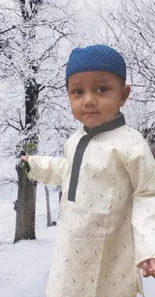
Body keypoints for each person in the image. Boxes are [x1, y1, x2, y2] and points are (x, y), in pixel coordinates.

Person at [22, 44, 155, 297]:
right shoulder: (75, 139)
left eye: (101, 89)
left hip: (111, 250)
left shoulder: (131, 144)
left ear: (123, 95)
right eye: (78, 92)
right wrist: (37, 165)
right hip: (71, 249)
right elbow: (71, 171)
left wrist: (150, 247)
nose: (89, 100)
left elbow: (147, 194)